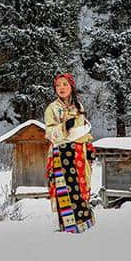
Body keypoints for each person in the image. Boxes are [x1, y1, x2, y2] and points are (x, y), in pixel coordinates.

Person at [44, 73, 97, 233]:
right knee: (65, 188)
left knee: (81, 185)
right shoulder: (52, 108)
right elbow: (49, 132)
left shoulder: (79, 107)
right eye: (58, 85)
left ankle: (84, 223)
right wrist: (64, 128)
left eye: (65, 84)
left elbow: (84, 130)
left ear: (71, 87)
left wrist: (89, 147)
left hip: (79, 152)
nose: (62, 88)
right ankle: (67, 226)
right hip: (61, 153)